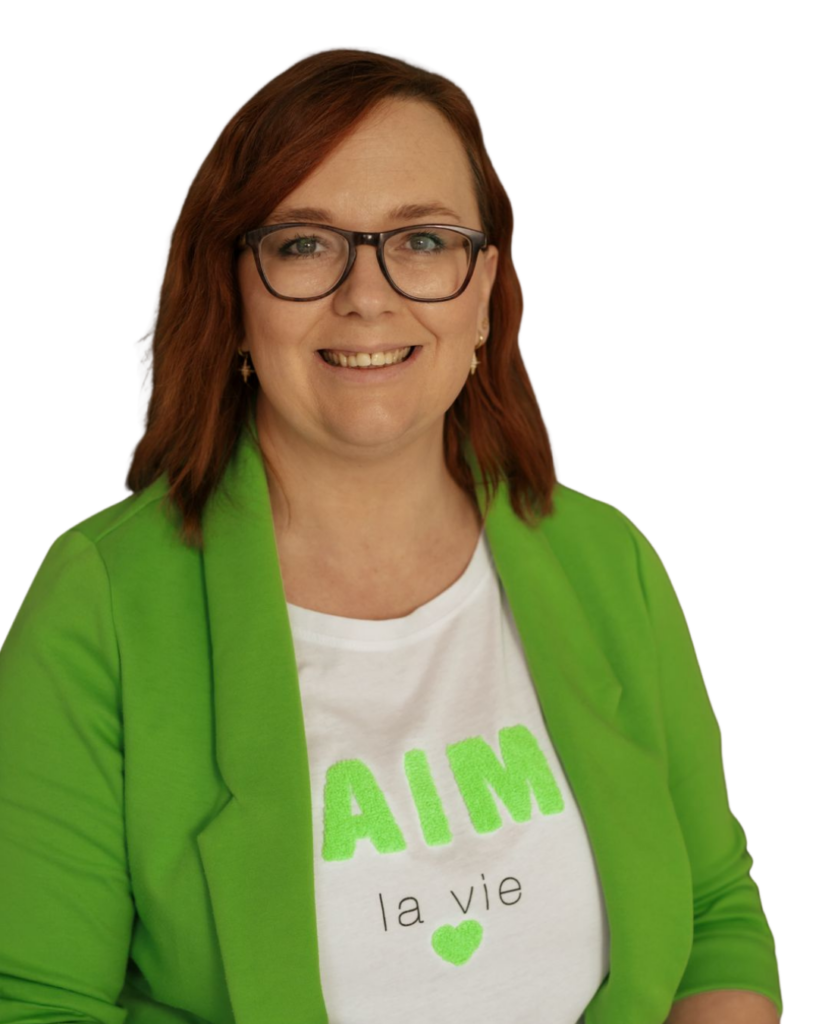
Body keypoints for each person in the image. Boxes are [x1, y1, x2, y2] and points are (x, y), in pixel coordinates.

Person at [0, 47, 783, 1024]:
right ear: (232, 294)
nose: (367, 296)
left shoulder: (604, 556)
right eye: (304, 244)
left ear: (484, 289)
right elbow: (38, 1002)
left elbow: (713, 918)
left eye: (420, 240)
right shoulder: (102, 601)